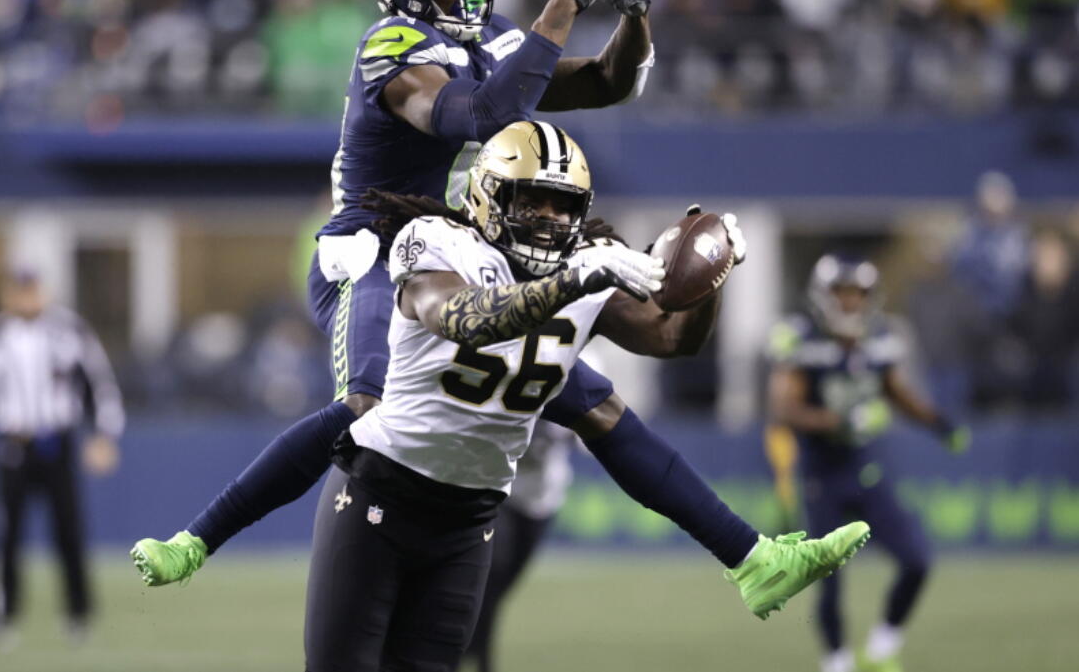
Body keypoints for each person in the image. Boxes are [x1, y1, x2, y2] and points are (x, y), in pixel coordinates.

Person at [135, 122, 871, 671]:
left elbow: (671, 338)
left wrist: (707, 276)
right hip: (376, 501)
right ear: (490, 198)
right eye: (536, 202)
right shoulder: (435, 241)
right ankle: (196, 537)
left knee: (607, 412)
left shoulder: (582, 267)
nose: (553, 220)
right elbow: (465, 318)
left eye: (564, 206)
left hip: (470, 523)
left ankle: (751, 559)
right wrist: (574, 282)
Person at [766, 254, 969, 672]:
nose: (851, 303)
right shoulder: (803, 339)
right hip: (820, 474)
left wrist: (937, 423)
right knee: (828, 578)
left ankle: (880, 649)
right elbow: (784, 409)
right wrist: (841, 420)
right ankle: (837, 663)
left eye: (858, 293)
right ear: (823, 296)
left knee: (916, 560)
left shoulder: (878, 338)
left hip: (864, 469)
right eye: (842, 293)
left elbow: (897, 391)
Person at [0, 269, 125, 644]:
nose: (26, 299)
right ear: (7, 295)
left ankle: (78, 614)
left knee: (68, 529)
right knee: (7, 532)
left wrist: (104, 435)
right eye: (18, 291)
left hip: (57, 440)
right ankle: (4, 614)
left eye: (31, 291)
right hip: (13, 443)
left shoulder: (69, 330)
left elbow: (98, 384)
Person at [460, 419, 576, 672]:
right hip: (499, 490)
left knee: (501, 587)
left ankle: (469, 647)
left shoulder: (571, 381)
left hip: (543, 495)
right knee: (490, 578)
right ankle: (480, 660)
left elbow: (589, 424)